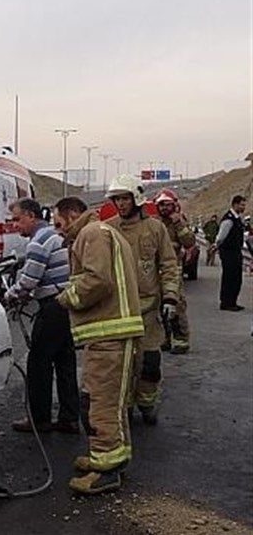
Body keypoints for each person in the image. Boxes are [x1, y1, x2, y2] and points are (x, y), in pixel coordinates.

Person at [53, 197, 144, 495]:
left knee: (101, 404)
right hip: (109, 333)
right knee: (109, 402)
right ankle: (110, 455)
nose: (58, 231)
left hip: (110, 335)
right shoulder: (104, 232)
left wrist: (68, 298)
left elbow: (98, 280)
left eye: (58, 223)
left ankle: (106, 470)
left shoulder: (91, 234)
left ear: (71, 215)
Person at [104, 174, 179, 426]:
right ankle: (123, 407)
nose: (121, 204)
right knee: (121, 366)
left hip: (148, 309)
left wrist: (170, 297)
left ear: (135, 198)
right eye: (117, 199)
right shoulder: (109, 229)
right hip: (119, 309)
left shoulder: (155, 228)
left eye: (125, 198)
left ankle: (147, 403)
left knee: (149, 363)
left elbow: (169, 264)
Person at [4, 198, 79, 435]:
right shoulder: (55, 236)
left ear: (31, 216)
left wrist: (9, 296)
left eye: (17, 219)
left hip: (52, 307)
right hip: (67, 305)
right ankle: (69, 418)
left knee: (38, 363)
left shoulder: (38, 243)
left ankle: (39, 420)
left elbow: (28, 281)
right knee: (65, 362)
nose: (15, 225)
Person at [155, 189, 196, 354]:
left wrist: (178, 223)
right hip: (156, 269)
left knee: (176, 306)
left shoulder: (179, 222)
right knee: (159, 307)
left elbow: (189, 242)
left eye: (167, 204)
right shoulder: (155, 223)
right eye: (161, 204)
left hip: (173, 269)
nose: (164, 207)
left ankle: (181, 341)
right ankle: (163, 338)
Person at [216, 195, 247, 311]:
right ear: (235, 204)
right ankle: (226, 302)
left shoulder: (237, 218)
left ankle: (232, 301)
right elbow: (220, 237)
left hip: (236, 251)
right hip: (229, 252)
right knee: (230, 277)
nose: (243, 207)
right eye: (242, 205)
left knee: (236, 278)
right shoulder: (229, 219)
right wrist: (217, 246)